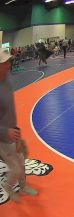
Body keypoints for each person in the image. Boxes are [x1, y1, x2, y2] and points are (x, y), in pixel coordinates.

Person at [0, 49, 38, 202]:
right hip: (2, 137)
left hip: (13, 131)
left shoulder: (7, 78)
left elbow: (9, 107)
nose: (9, 64)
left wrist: (15, 128)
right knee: (15, 167)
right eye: (5, 62)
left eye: (9, 61)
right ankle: (7, 186)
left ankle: (22, 186)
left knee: (22, 159)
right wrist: (5, 131)